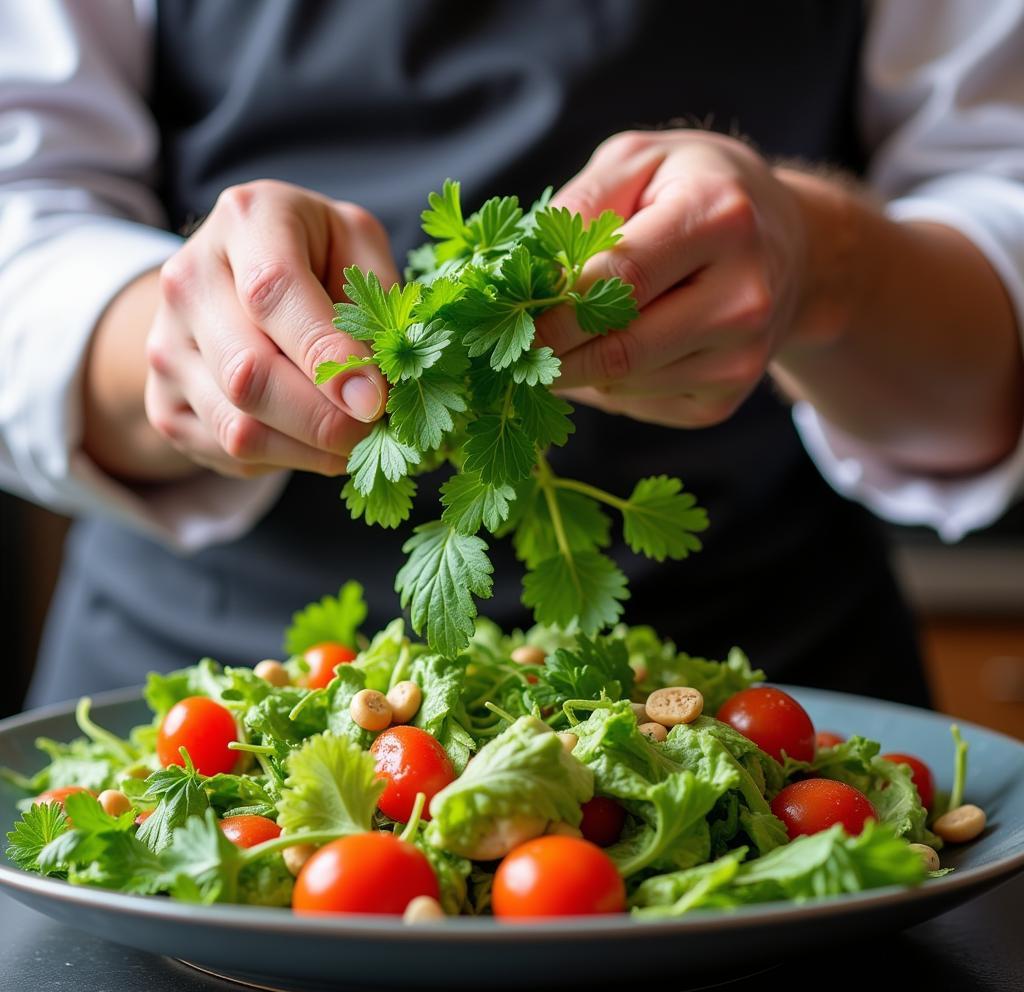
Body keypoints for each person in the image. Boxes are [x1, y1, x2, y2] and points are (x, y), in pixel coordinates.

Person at [1, 0, 1022, 710]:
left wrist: (823, 260)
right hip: (202, 706)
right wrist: (175, 342)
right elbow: (21, 222)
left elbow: (998, 220)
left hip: (757, 702)